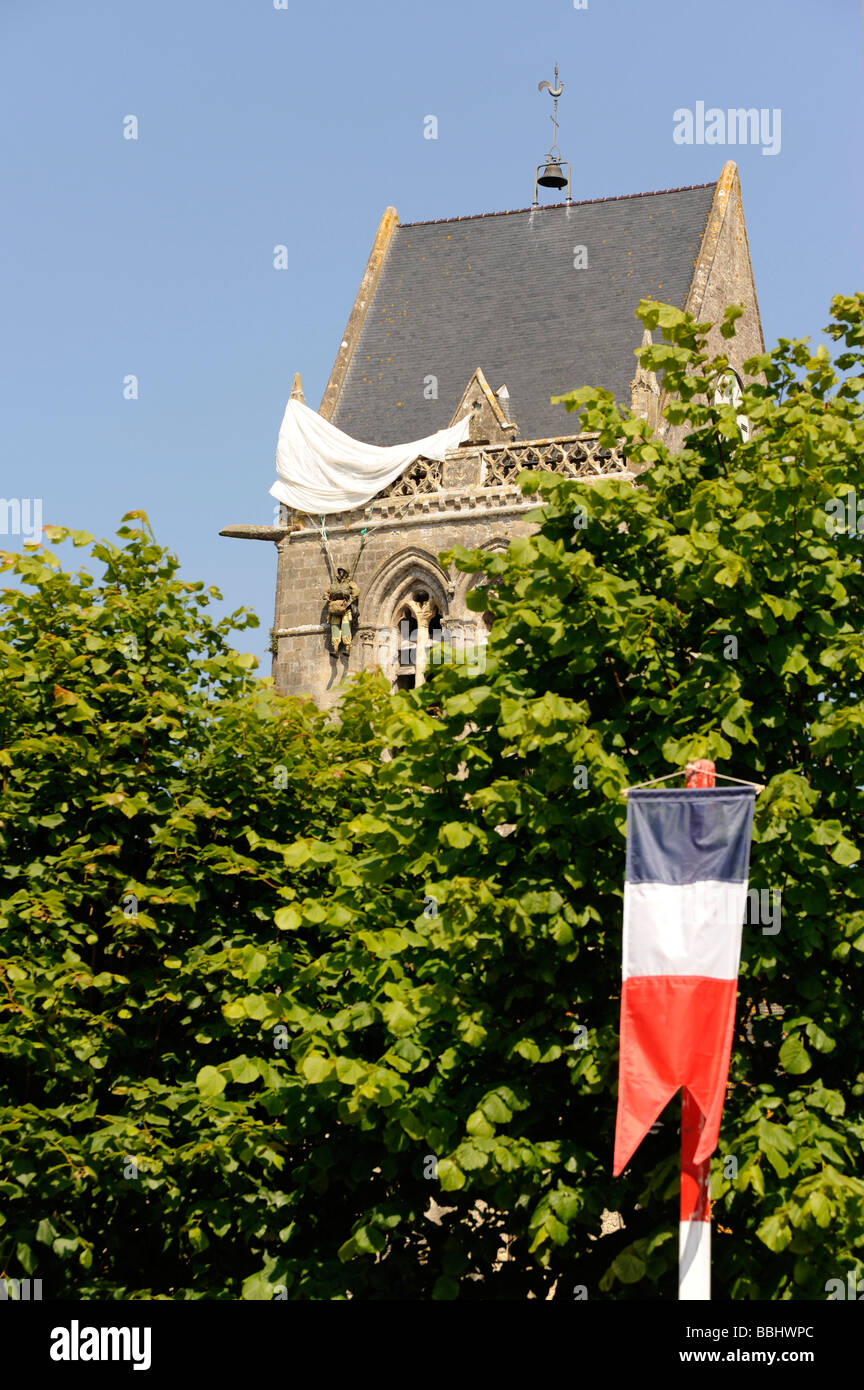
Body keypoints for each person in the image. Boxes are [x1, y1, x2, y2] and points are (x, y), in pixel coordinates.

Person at [324, 567, 358, 656]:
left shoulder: (350, 583)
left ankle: (347, 647)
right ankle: (335, 647)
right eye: (340, 571)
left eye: (343, 571)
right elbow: (327, 593)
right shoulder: (335, 584)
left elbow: (356, 592)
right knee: (334, 626)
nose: (341, 573)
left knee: (345, 625)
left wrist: (349, 602)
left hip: (345, 608)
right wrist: (327, 597)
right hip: (334, 609)